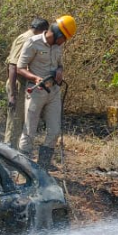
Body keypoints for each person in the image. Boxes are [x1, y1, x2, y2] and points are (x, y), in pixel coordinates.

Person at [16, 15, 77, 169]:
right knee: (29, 131)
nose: (65, 42)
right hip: (36, 91)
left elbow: (60, 65)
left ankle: (43, 168)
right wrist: (35, 78)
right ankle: (23, 169)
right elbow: (20, 68)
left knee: (55, 130)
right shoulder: (33, 43)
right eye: (65, 39)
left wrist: (60, 71)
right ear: (58, 34)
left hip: (54, 92)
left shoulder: (57, 46)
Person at [4, 18, 49, 149]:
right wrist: (12, 94)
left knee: (23, 121)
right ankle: (8, 153)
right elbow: (13, 66)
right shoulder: (25, 39)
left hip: (26, 85)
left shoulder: (34, 40)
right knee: (14, 122)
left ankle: (16, 152)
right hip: (17, 84)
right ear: (43, 30)